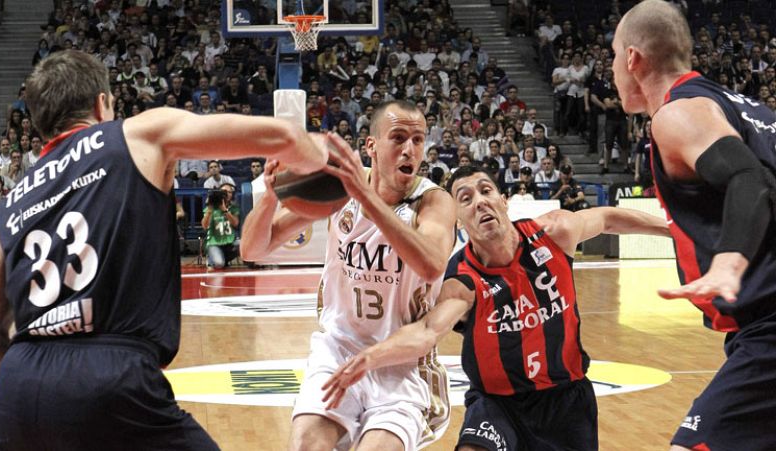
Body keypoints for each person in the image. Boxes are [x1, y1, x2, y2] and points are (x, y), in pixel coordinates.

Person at [0, 50, 328, 450]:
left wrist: (43, 391)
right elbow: (283, 137)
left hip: (19, 388)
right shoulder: (138, 133)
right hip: (111, 373)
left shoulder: (4, 210)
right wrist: (324, 158)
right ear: (102, 103)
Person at [322, 166, 669, 451]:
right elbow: (427, 332)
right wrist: (371, 356)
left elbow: (608, 218)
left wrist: (675, 231)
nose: (480, 203)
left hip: (566, 401)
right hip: (498, 405)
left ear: (504, 201)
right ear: (458, 220)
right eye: (466, 199)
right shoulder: (462, 280)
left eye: (486, 191)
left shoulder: (554, 233)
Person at [241, 100, 457, 451]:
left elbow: (431, 264)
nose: (409, 150)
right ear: (371, 146)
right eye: (398, 138)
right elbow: (253, 250)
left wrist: (365, 196)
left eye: (418, 140)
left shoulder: (432, 202)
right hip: (337, 350)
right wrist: (270, 195)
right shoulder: (340, 192)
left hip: (400, 364)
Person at [612, 1, 776, 450]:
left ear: (632, 59)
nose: (612, 69)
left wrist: (728, 260)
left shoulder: (678, 113)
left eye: (612, 56)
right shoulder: (750, 109)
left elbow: (749, 179)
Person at [202, 182, 240, 270]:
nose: (226, 194)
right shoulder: (210, 208)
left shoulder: (234, 208)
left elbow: (235, 223)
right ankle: (213, 258)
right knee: (219, 264)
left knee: (243, 244)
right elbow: (204, 226)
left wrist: (225, 211)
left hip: (230, 241)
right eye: (224, 191)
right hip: (214, 243)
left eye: (229, 192)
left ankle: (222, 259)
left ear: (232, 195)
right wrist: (209, 211)